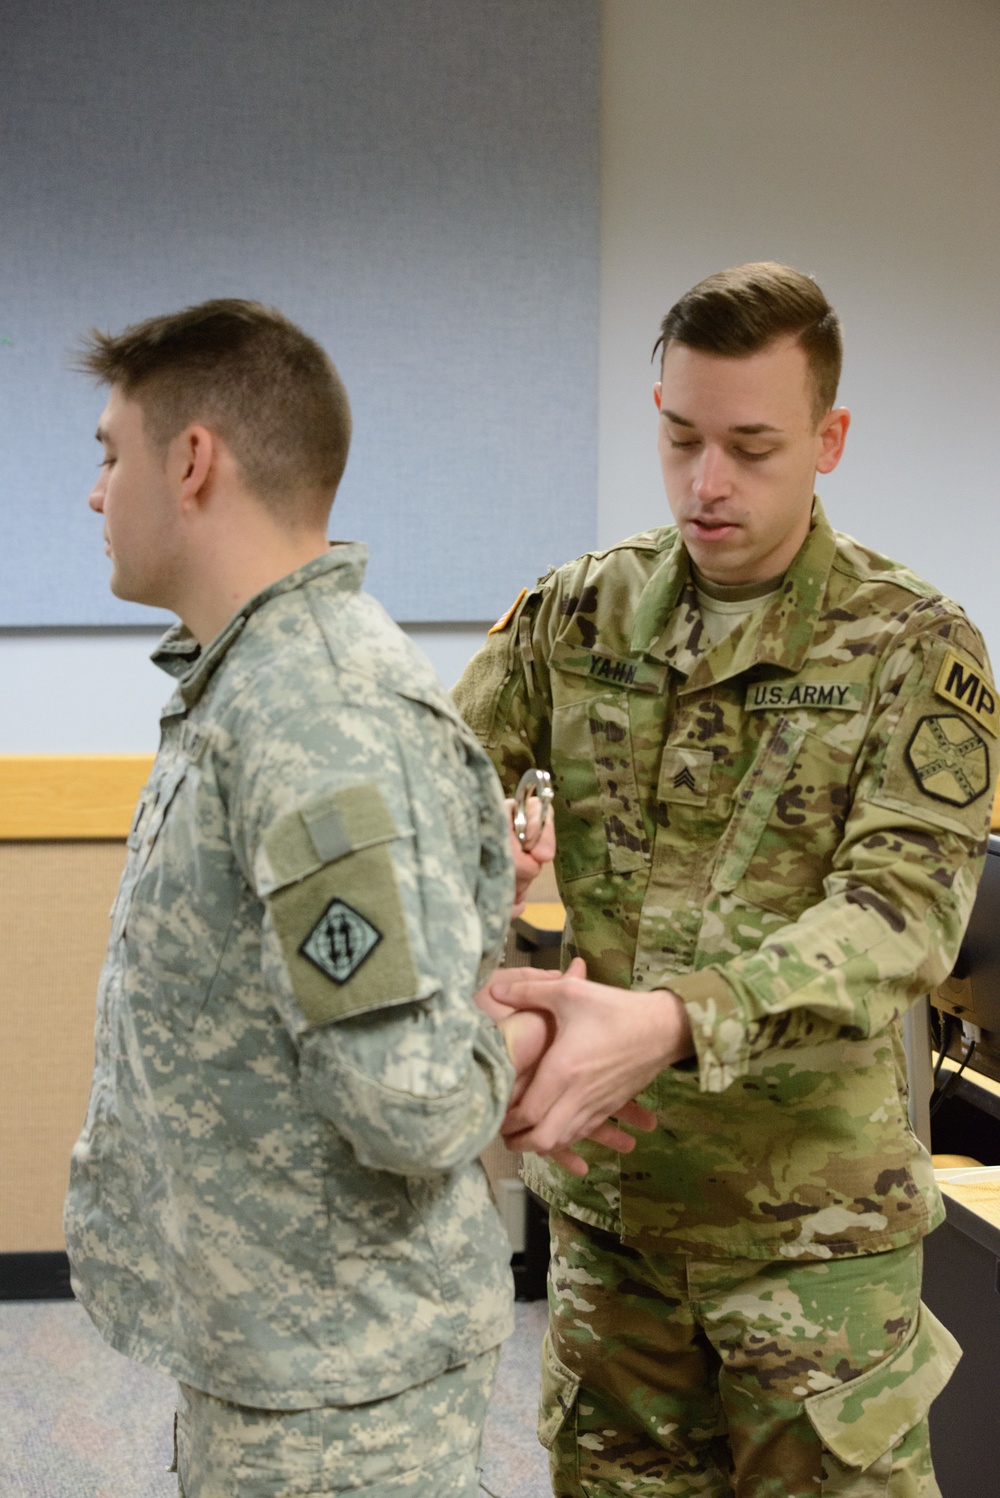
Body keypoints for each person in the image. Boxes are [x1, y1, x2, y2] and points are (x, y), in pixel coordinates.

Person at [454, 262, 998, 1496]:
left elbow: (900, 917)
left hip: (815, 1248)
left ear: (828, 438)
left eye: (751, 446)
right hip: (614, 1233)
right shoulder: (574, 617)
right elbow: (435, 803)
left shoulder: (913, 645)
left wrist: (669, 1021)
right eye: (679, 435)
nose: (708, 482)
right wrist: (486, 957)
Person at [63, 299, 521, 1498]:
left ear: (194, 460)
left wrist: (515, 1040)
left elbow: (409, 1100)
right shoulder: (252, 687)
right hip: (279, 1360)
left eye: (111, 454)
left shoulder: (317, 710)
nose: (96, 492)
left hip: (344, 1405)